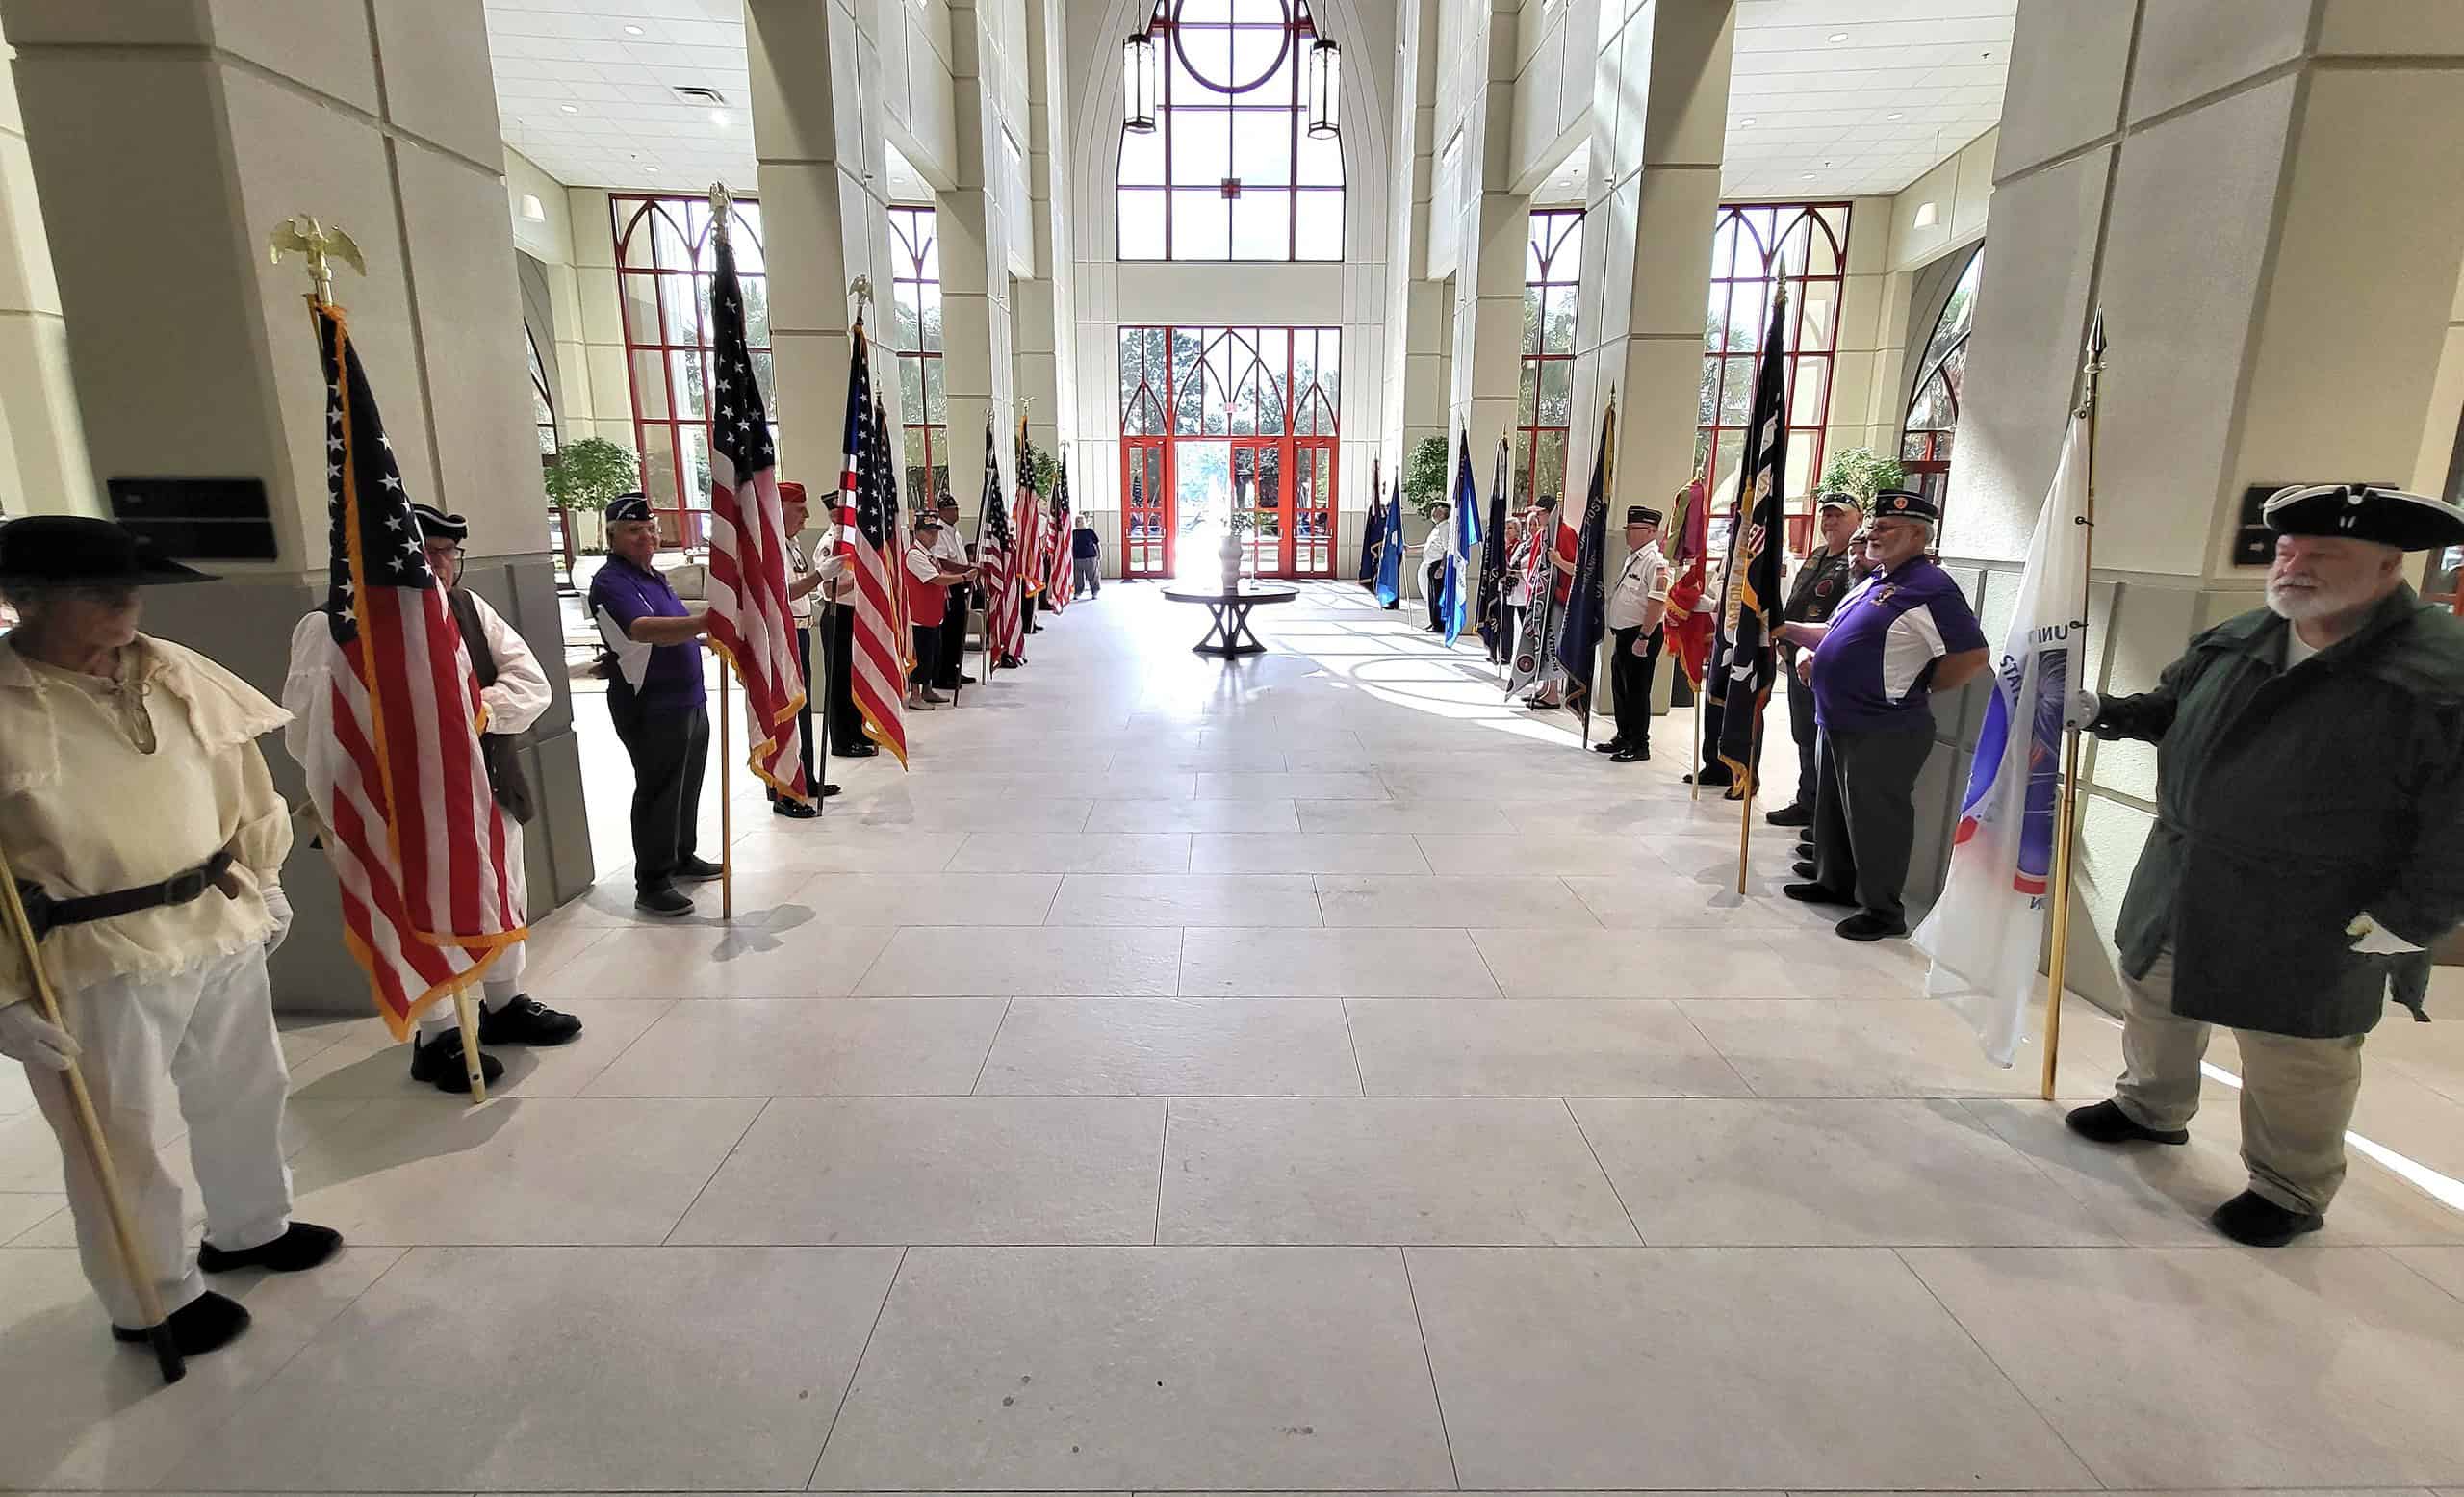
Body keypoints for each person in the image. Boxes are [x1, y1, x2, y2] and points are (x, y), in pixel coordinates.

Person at [2064, 482, 2464, 1247]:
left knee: (2296, 1051)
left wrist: (2409, 919)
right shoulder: (2243, 634)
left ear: (2387, 565)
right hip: (2188, 875)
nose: (2296, 566)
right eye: (2287, 550)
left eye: (2323, 554)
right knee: (2156, 995)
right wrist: (2108, 712)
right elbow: (2172, 707)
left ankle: (2289, 1185)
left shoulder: (2440, 673)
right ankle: (2151, 1105)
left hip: (2317, 906)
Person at [0, 515, 342, 1357]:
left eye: (130, 584)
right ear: (25, 600)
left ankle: (252, 1224)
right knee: (114, 1132)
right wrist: (2, 995)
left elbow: (242, 776)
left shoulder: (175, 670)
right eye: (95, 589)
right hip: (89, 953)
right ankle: (152, 1293)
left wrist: (262, 878)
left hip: (214, 915)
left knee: (246, 1086)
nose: (124, 602)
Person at [285, 503, 583, 1093]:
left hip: (485, 791)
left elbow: (531, 686)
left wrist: (467, 718)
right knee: (413, 912)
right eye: (429, 552)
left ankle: (503, 1004)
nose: (443, 565)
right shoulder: (332, 627)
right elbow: (308, 727)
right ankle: (439, 1032)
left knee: (500, 895)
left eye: (450, 553)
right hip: (395, 811)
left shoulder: (471, 610)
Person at [1780, 489, 1989, 941]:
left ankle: (1882, 911)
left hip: (1884, 726)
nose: (1872, 533)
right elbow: (1837, 635)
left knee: (1877, 819)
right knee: (1835, 812)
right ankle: (1834, 882)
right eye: (1873, 525)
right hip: (1838, 717)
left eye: (1885, 527)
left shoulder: (1931, 588)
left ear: (1918, 534)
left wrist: (1918, 686)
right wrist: (1793, 635)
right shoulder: (1874, 581)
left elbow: (1972, 655)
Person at [588, 494, 722, 916]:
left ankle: (682, 855)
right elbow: (641, 629)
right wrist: (704, 622)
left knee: (687, 783)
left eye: (650, 528)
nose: (646, 536)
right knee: (659, 789)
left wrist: (701, 638)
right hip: (651, 702)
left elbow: (667, 630)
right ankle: (652, 881)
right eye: (633, 531)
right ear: (613, 537)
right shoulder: (611, 581)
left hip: (688, 697)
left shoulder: (655, 577)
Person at [1768, 494, 1864, 828]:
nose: (1830, 522)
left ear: (1858, 519)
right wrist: (1784, 642)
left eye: (1839, 516)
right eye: (1827, 515)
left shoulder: (1858, 561)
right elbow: (1796, 601)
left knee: (1825, 740)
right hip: (1799, 657)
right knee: (1804, 733)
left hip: (1828, 663)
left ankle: (1823, 816)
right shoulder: (1818, 555)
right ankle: (1807, 800)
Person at [770, 481, 844, 817]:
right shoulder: (769, 547)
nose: (807, 516)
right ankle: (784, 790)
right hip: (781, 637)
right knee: (785, 714)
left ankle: (806, 778)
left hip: (800, 631)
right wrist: (820, 576)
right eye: (799, 510)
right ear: (780, 508)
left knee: (804, 712)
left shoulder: (792, 544)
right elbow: (783, 593)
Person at [1594, 505, 1671, 762]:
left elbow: (1657, 603)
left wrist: (1644, 637)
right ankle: (1624, 735)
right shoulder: (1634, 557)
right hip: (1625, 635)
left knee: (1637, 691)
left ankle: (1639, 745)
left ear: (1651, 531)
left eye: (1634, 529)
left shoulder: (1655, 563)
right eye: (1628, 528)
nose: (1628, 533)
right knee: (1621, 687)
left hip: (1641, 635)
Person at [1516, 495, 1578, 707]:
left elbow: (1575, 568)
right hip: (1542, 595)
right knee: (1541, 643)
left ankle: (1552, 694)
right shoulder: (1545, 533)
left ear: (1550, 513)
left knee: (1551, 643)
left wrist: (1558, 561)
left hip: (1557, 597)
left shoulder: (1565, 533)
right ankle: (1544, 687)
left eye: (1540, 513)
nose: (1537, 516)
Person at [904, 511, 957, 711]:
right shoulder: (914, 555)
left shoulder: (929, 554)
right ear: (917, 532)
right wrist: (963, 577)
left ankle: (928, 689)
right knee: (921, 656)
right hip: (919, 616)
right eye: (928, 532)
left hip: (933, 614)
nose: (933, 535)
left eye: (935, 531)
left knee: (933, 655)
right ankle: (916, 695)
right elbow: (935, 579)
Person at [931, 496, 976, 692]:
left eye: (956, 509)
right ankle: (943, 675)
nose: (954, 512)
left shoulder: (954, 532)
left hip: (961, 583)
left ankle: (956, 669)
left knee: (959, 631)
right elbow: (943, 562)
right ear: (941, 512)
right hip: (949, 586)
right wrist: (967, 570)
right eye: (950, 509)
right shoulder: (940, 532)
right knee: (949, 632)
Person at [1420, 499, 1454, 633]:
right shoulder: (1437, 528)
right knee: (1432, 595)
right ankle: (1433, 622)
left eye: (1436, 510)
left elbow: (1446, 549)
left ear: (1443, 513)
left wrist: (1441, 567)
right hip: (1432, 565)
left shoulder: (1445, 528)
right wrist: (1410, 548)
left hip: (1438, 566)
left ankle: (1439, 625)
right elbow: (1431, 547)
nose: (1433, 512)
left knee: (1438, 595)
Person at [1072, 515, 1102, 599]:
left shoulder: (1089, 531)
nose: (1078, 523)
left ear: (1084, 522)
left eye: (1080, 521)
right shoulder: (1074, 532)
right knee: (1078, 577)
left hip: (1090, 557)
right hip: (1077, 558)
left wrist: (1100, 554)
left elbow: (1097, 543)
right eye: (1077, 521)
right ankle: (1078, 592)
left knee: (1092, 576)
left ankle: (1095, 591)